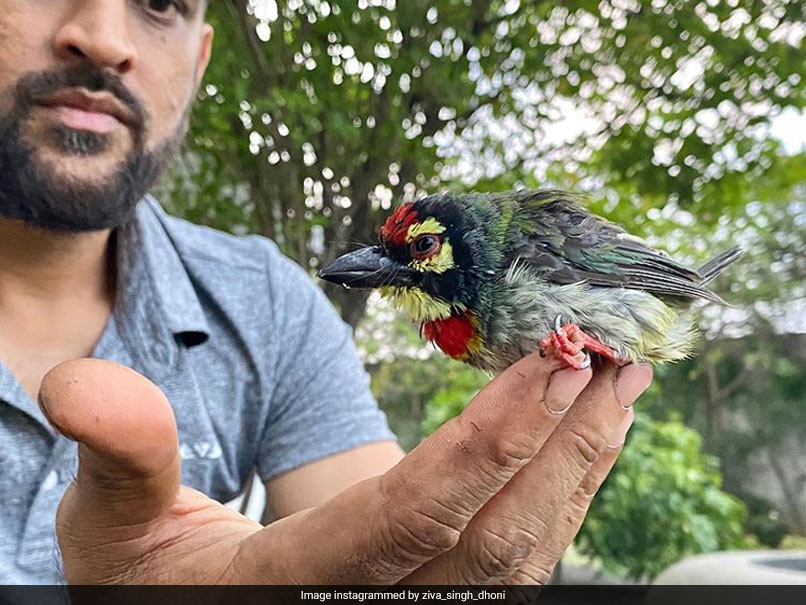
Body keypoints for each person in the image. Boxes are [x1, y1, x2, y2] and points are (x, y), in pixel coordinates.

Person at [0, 0, 652, 585]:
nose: (104, 37)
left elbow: (389, 536)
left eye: (161, 3)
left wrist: (414, 562)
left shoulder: (270, 302)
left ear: (199, 59)